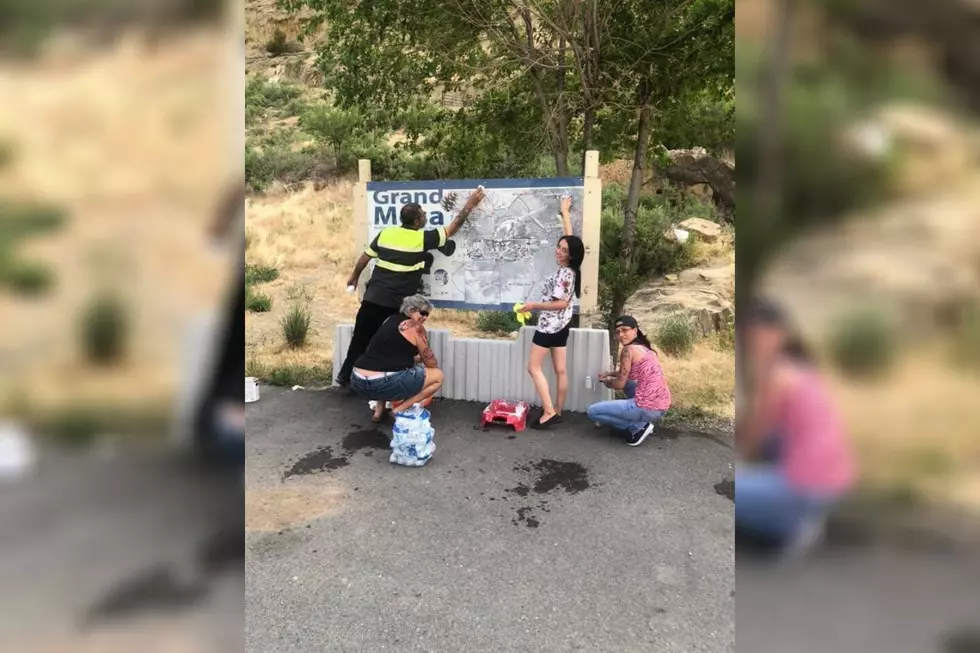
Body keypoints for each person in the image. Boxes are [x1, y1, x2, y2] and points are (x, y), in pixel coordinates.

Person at [735, 299, 857, 555]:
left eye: (760, 335)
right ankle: (796, 514)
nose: (755, 342)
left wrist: (739, 464)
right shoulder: (805, 368)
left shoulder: (777, 375)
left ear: (783, 334)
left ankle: (789, 526)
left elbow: (754, 433)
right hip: (836, 478)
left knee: (733, 494)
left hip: (806, 483)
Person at [336, 188, 486, 389]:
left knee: (360, 339)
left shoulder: (386, 233)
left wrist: (354, 277)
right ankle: (389, 383)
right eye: (423, 215)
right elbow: (452, 229)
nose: (425, 217)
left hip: (373, 298)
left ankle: (346, 376)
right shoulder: (420, 239)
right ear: (416, 222)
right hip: (396, 305)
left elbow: (365, 257)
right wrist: (470, 205)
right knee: (397, 342)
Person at [518, 196, 585, 429]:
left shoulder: (565, 274)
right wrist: (565, 213)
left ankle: (548, 411)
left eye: (563, 250)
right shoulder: (573, 268)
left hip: (549, 326)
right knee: (560, 369)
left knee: (533, 367)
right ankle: (558, 409)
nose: (559, 251)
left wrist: (533, 305)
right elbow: (571, 240)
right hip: (562, 326)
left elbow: (560, 304)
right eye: (558, 247)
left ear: (571, 255)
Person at [350, 294, 444, 420]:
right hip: (382, 383)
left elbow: (386, 355)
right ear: (411, 310)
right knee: (437, 376)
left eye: (427, 315)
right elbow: (431, 364)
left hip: (358, 380)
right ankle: (399, 410)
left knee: (386, 368)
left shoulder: (389, 320)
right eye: (423, 313)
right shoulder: (415, 327)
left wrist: (412, 359)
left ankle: (378, 411)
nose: (425, 318)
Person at [587, 316, 671, 446]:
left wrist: (606, 381)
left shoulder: (628, 350)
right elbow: (626, 374)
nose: (621, 335)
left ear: (635, 331)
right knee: (629, 383)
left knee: (592, 412)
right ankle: (642, 421)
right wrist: (609, 373)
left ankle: (637, 428)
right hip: (662, 406)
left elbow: (619, 384)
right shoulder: (644, 348)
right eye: (617, 332)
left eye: (625, 330)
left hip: (647, 407)